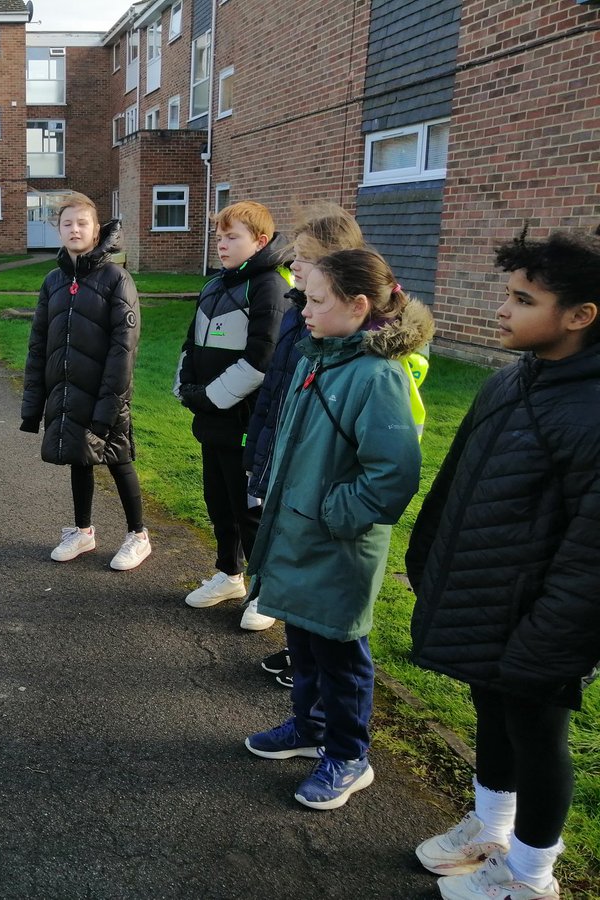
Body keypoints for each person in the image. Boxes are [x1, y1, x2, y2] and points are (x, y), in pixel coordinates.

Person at [407, 227, 600, 900]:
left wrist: (550, 640)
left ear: (579, 317)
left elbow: (592, 557)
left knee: (537, 734)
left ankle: (529, 877)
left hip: (545, 621)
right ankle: (490, 829)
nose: (502, 309)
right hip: (489, 600)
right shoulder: (509, 381)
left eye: (522, 299)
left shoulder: (591, 410)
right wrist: (427, 557)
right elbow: (457, 482)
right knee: (491, 708)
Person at [243, 248, 433, 810]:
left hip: (337, 544)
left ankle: (349, 755)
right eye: (304, 297)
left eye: (317, 300)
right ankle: (308, 727)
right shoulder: (316, 354)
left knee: (341, 655)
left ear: (359, 305)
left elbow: (393, 475)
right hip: (298, 533)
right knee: (302, 638)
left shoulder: (378, 377)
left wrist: (330, 515)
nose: (303, 308)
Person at [241, 205, 365, 690]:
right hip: (284, 456)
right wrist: (261, 455)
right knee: (289, 564)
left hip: (321, 485)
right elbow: (279, 389)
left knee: (316, 578)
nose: (293, 264)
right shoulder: (301, 312)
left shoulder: (354, 344)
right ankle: (300, 653)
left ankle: (316, 678)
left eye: (307, 257)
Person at [21, 191, 150, 571]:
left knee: (118, 457)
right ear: (58, 230)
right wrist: (34, 404)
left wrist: (110, 401)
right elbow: (39, 343)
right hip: (67, 390)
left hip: (106, 392)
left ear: (97, 230)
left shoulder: (116, 278)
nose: (74, 229)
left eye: (82, 223)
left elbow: (124, 348)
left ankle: (138, 535)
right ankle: (82, 531)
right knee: (79, 456)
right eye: (67, 223)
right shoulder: (53, 281)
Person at [175, 201, 289, 609]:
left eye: (231, 237)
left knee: (249, 511)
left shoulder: (269, 286)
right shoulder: (215, 284)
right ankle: (229, 574)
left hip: (246, 420)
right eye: (219, 236)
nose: (221, 244)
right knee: (218, 501)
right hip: (213, 419)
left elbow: (263, 357)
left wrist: (210, 396)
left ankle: (265, 592)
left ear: (259, 242)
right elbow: (192, 342)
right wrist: (185, 385)